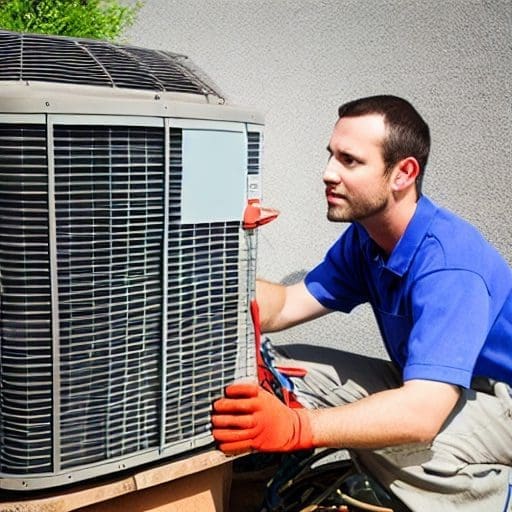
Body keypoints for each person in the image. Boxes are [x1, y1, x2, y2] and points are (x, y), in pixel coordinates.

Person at [211, 95, 512, 511]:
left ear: (403, 173)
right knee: (281, 372)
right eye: (331, 156)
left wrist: (298, 428)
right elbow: (283, 306)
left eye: (350, 161)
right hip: (435, 388)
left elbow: (421, 413)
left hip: (499, 401)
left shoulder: (449, 264)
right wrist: (214, 273)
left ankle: (496, 497)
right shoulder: (367, 239)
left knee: (399, 440)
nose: (328, 173)